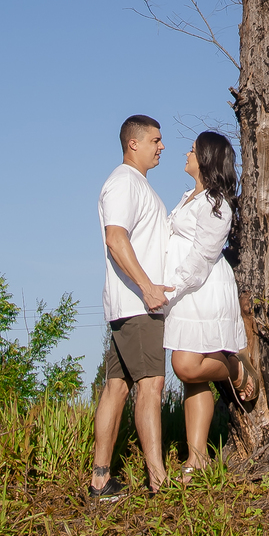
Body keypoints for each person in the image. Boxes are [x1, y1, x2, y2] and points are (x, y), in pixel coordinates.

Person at [162, 130, 259, 479]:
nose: (186, 154)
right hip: (184, 294)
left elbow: (203, 256)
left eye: (192, 150)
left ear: (205, 158)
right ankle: (197, 458)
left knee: (185, 365)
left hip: (202, 290)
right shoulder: (189, 197)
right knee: (193, 381)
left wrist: (171, 287)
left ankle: (236, 369)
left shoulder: (217, 204)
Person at [92, 114, 170, 500]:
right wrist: (148, 288)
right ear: (133, 143)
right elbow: (115, 238)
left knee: (116, 388)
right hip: (138, 306)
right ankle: (158, 482)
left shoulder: (136, 184)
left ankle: (100, 480)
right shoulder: (124, 182)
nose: (162, 146)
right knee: (151, 385)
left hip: (131, 305)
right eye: (155, 140)